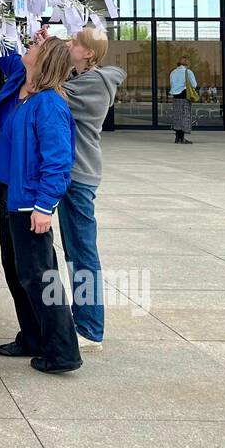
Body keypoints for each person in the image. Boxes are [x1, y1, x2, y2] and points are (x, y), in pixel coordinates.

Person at [0, 36, 82, 373]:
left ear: (44, 61)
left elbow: (57, 162)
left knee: (41, 277)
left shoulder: (50, 105)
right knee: (16, 272)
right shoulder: (19, 84)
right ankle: (32, 336)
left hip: (30, 202)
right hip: (11, 194)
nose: (28, 48)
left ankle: (63, 351)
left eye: (34, 48)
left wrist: (44, 207)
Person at [57, 26, 126, 351]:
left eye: (75, 42)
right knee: (77, 251)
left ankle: (89, 329)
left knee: (82, 251)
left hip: (79, 175)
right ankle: (83, 321)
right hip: (74, 173)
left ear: (88, 53)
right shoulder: (81, 78)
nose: (69, 44)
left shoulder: (93, 84)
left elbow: (50, 97)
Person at [168, 55, 197, 144]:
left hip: (176, 97)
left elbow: (171, 84)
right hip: (185, 96)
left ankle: (177, 137)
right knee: (185, 117)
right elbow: (194, 85)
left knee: (177, 117)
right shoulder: (188, 72)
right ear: (187, 63)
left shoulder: (173, 72)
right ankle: (182, 138)